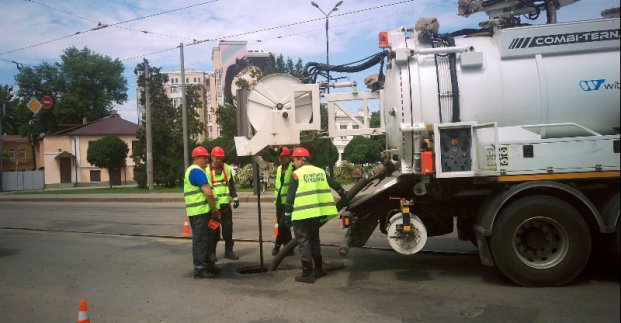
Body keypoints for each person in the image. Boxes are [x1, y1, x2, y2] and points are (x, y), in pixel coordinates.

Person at [284, 146, 347, 283]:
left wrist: (287, 216)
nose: (293, 163)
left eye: (294, 160)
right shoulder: (319, 171)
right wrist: (342, 192)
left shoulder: (296, 174)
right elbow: (333, 183)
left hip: (301, 215)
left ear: (300, 159)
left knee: (303, 242)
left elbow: (290, 199)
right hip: (315, 214)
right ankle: (318, 270)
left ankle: (306, 273)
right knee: (314, 240)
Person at [184, 146, 221, 279]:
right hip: (200, 213)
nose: (207, 160)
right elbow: (208, 193)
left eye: (207, 157)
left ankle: (208, 265)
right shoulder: (196, 171)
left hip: (201, 213)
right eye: (204, 157)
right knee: (200, 241)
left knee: (208, 239)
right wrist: (215, 209)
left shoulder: (197, 171)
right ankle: (199, 269)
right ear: (196, 158)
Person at [206, 146, 240, 260]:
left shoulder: (226, 169)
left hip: (226, 208)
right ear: (212, 157)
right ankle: (212, 253)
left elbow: (231, 185)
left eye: (220, 158)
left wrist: (235, 197)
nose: (219, 161)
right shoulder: (206, 171)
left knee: (228, 231)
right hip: (214, 209)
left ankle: (228, 251)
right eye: (216, 158)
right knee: (213, 233)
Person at [272, 146, 294, 256]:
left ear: (287, 156)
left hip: (288, 201)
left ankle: (277, 245)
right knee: (285, 226)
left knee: (282, 224)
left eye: (281, 157)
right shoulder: (279, 168)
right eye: (278, 158)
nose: (279, 160)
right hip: (279, 201)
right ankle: (289, 248)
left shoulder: (293, 167)